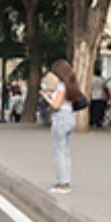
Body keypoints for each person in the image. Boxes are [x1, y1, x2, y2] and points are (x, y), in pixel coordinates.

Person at [41, 59, 83, 193]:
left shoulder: (61, 86)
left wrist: (45, 97)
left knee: (58, 151)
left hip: (61, 118)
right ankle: (66, 180)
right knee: (65, 152)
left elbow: (56, 105)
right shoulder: (72, 85)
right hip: (70, 117)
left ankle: (62, 184)